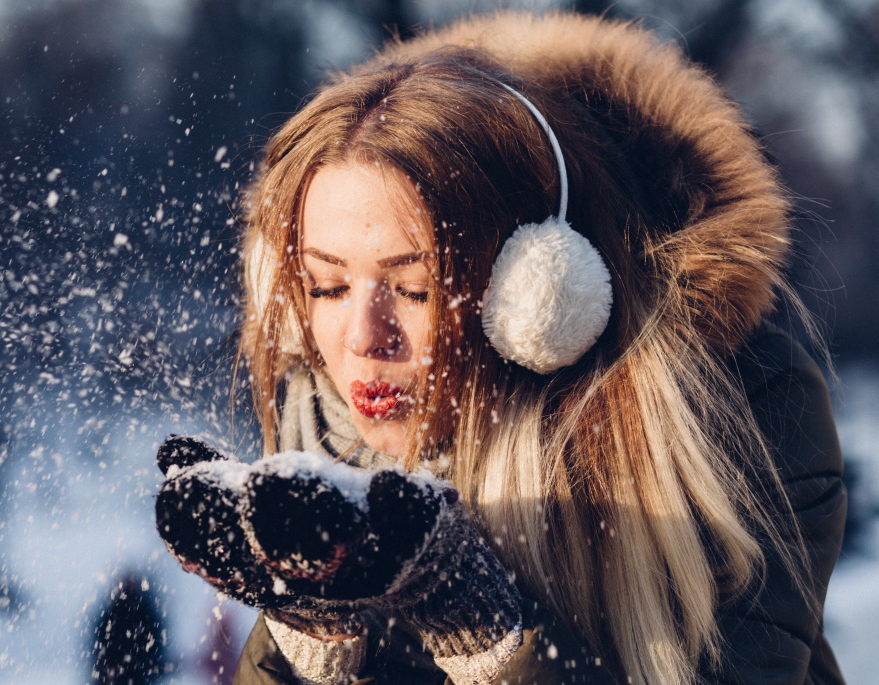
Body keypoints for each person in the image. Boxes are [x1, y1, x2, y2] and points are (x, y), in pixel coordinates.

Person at [156, 11, 847, 685]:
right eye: (327, 285)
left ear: (538, 293)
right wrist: (309, 638)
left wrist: (487, 638)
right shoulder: (321, 432)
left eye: (415, 288)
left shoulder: (739, 415)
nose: (364, 338)